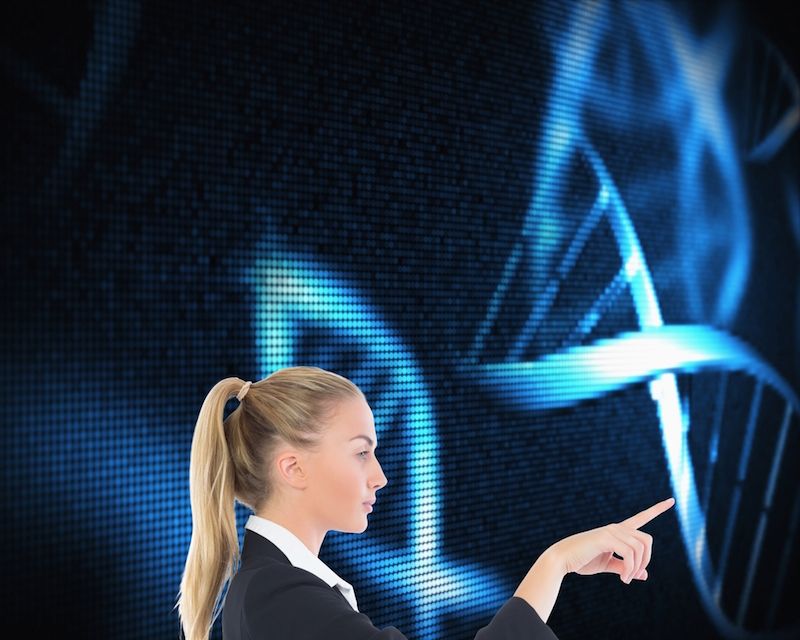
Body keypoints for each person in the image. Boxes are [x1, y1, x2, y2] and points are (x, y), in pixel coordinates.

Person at [176, 366, 674, 640]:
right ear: (293, 468)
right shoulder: (279, 595)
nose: (381, 475)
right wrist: (556, 562)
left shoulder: (274, 587)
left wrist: (556, 566)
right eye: (361, 453)